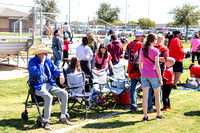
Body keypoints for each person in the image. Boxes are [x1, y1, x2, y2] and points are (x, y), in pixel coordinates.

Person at [28, 44, 72, 130]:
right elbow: (37, 73)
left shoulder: (47, 61)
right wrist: (41, 62)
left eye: (46, 53)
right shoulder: (32, 62)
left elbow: (54, 70)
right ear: (39, 54)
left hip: (49, 84)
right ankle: (46, 121)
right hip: (38, 86)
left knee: (64, 93)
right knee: (49, 97)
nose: (46, 55)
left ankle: (63, 117)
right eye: (45, 53)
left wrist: (61, 73)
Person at [139, 33, 164, 122]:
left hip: (144, 74)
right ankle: (158, 114)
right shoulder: (155, 50)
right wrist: (160, 78)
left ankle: (145, 116)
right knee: (157, 96)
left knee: (145, 96)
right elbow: (157, 66)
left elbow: (140, 64)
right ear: (154, 40)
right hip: (153, 74)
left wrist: (142, 72)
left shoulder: (141, 49)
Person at [124, 30, 145, 112]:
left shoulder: (129, 44)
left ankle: (133, 106)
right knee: (146, 87)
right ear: (140, 36)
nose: (143, 38)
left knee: (133, 89)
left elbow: (125, 56)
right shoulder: (141, 45)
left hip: (131, 69)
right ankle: (147, 105)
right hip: (139, 69)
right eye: (142, 36)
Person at [148, 34, 169, 112]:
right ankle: (150, 105)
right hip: (150, 70)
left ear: (160, 40)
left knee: (158, 87)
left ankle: (158, 105)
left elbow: (165, 58)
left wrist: (155, 58)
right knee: (150, 88)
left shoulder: (163, 48)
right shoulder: (151, 47)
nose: (155, 41)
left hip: (159, 70)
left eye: (157, 39)